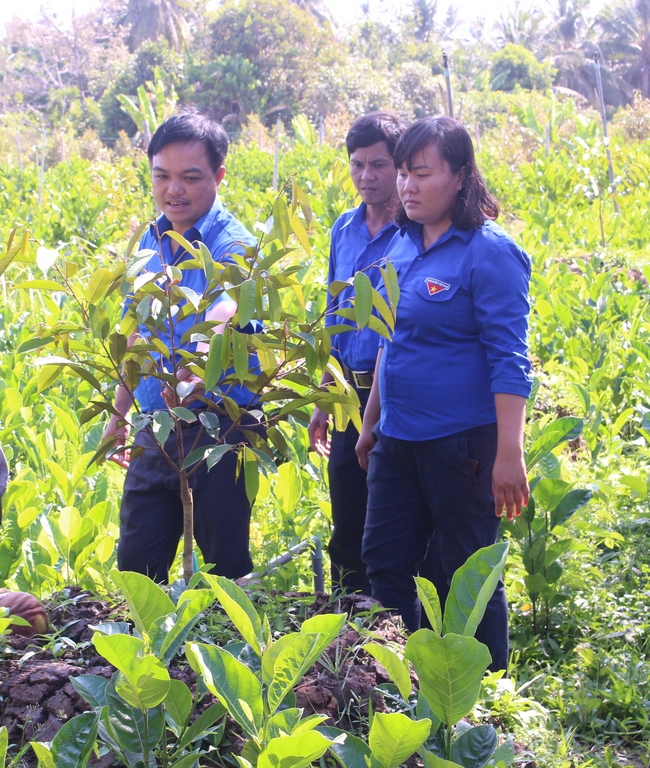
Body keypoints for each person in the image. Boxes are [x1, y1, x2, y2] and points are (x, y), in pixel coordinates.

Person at [355, 117, 532, 672]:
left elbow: (510, 359)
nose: (407, 186)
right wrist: (370, 422)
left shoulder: (489, 253)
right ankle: (407, 676)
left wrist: (510, 454)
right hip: (399, 438)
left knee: (466, 572)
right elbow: (390, 340)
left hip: (464, 445)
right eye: (403, 173)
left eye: (422, 173)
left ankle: (485, 693)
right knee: (385, 561)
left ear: (459, 176)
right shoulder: (401, 248)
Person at [102, 109, 260, 584]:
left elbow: (222, 315)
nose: (174, 189)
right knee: (137, 564)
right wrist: (117, 415)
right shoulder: (150, 242)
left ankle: (227, 654)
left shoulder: (235, 246)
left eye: (190, 177)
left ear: (219, 176)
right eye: (162, 176)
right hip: (156, 424)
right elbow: (134, 332)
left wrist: (192, 376)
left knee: (221, 571)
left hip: (219, 428)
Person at [308, 113, 407, 595]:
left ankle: (397, 621)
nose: (366, 177)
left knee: (395, 515)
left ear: (400, 167)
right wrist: (324, 397)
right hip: (348, 391)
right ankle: (351, 621)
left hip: (395, 395)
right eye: (357, 165)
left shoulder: (412, 234)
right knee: (347, 513)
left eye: (379, 165)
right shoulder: (344, 228)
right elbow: (333, 312)